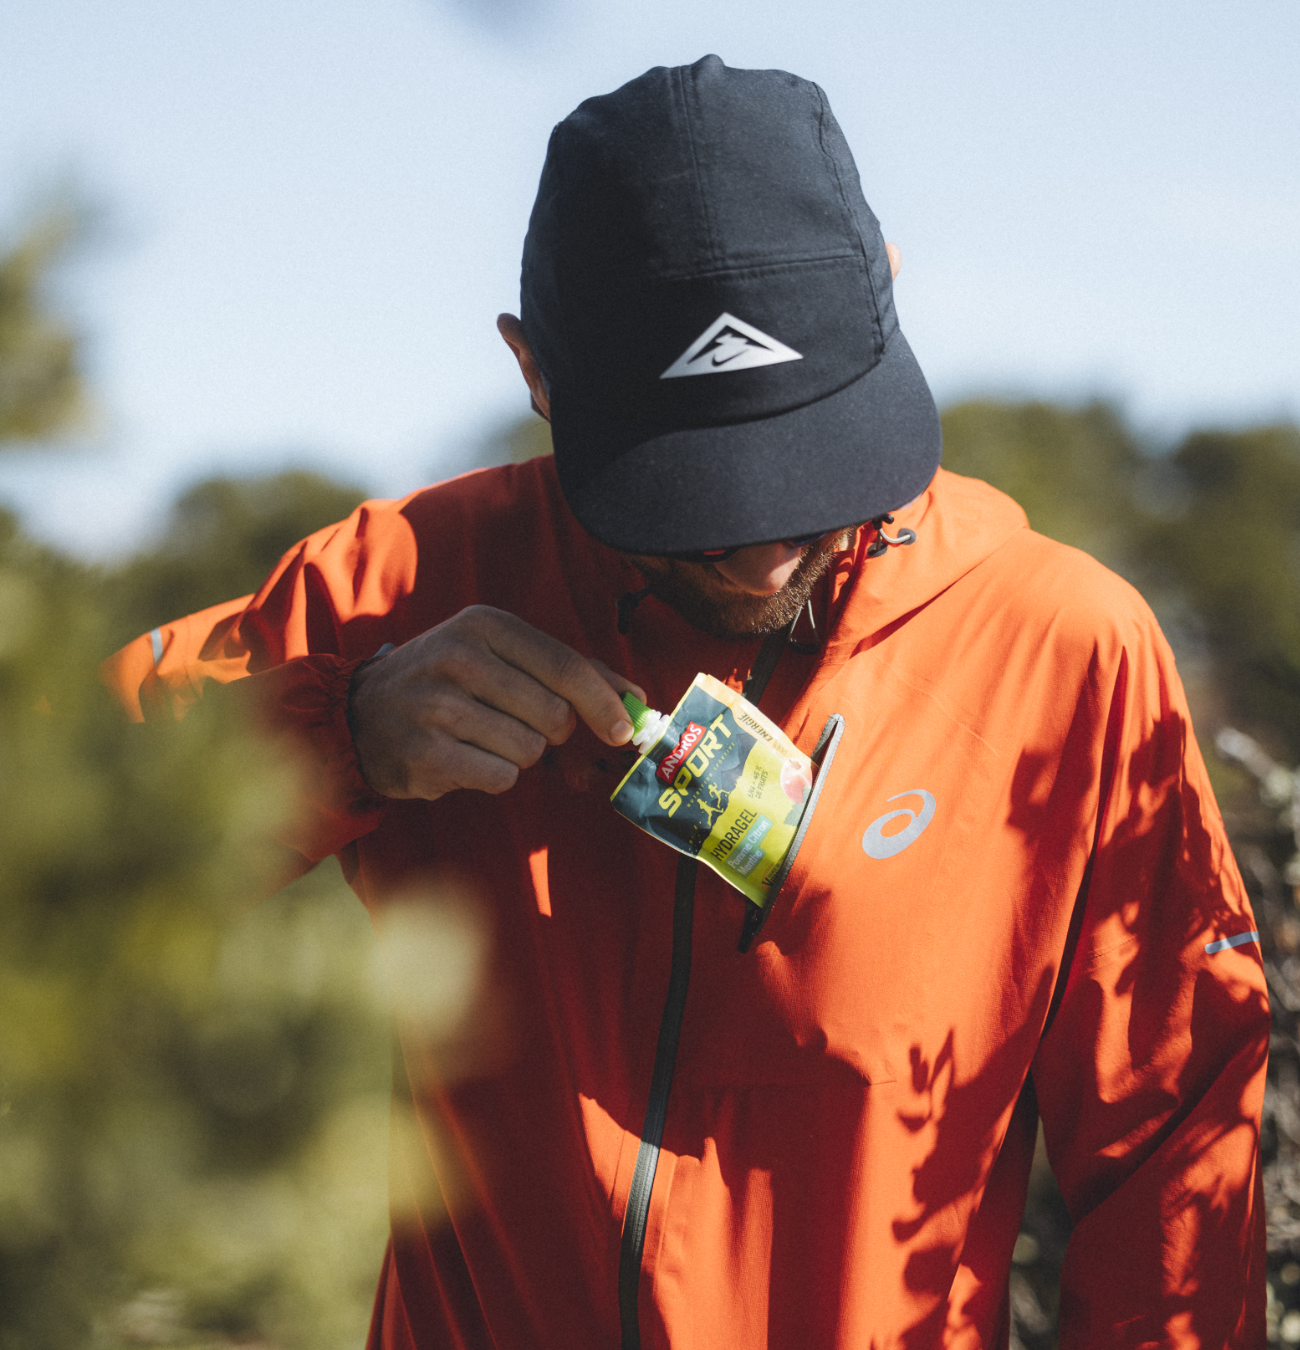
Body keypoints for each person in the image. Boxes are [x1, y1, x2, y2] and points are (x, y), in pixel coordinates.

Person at [103, 56, 1269, 1349]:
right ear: (537, 373)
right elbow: (50, 829)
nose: (767, 551)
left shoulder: (1062, 649)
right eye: (697, 502)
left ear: (884, 285)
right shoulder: (403, 590)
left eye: (804, 466)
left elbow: (1173, 1145)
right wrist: (338, 733)